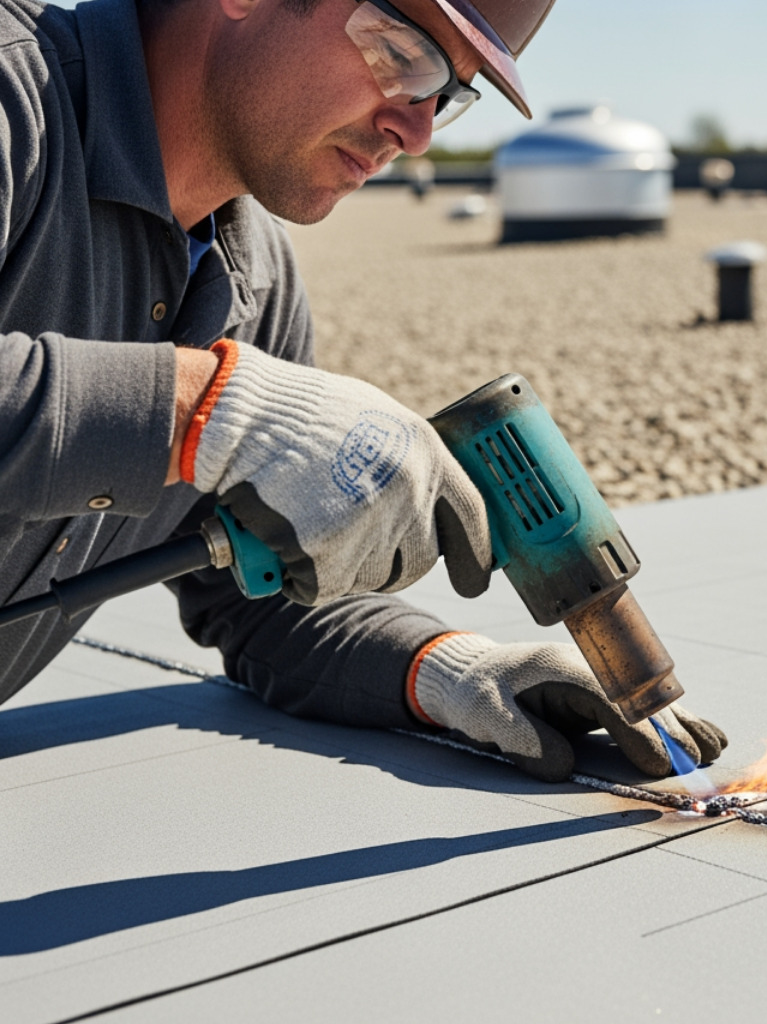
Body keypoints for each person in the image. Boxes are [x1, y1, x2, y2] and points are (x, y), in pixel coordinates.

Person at [0, 0, 726, 780]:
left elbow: (253, 595)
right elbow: (210, 412)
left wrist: (446, 670)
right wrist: (200, 409)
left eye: (446, 97)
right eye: (406, 57)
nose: (415, 136)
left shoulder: (252, 282)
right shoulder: (17, 100)